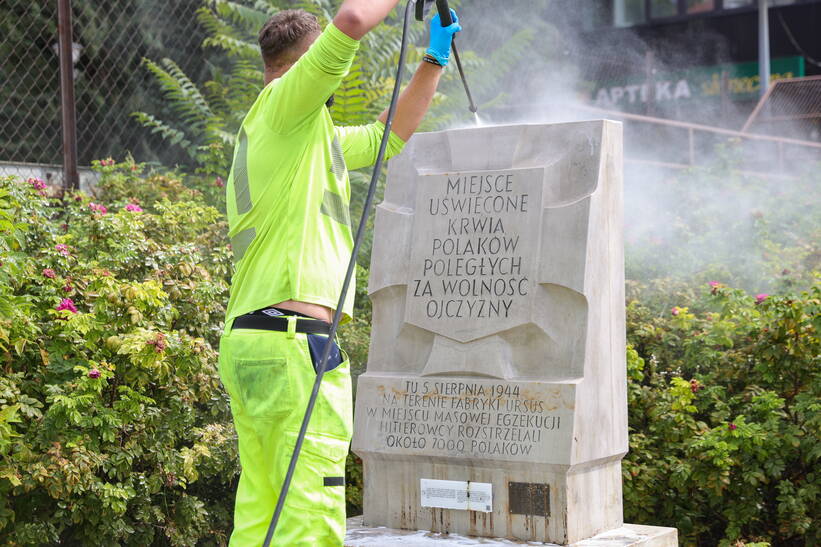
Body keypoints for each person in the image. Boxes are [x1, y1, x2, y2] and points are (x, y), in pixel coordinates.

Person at [217, 1, 461, 545]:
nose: (333, 68)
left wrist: (433, 59)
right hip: (291, 346)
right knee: (308, 513)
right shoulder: (283, 105)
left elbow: (384, 140)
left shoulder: (303, 137)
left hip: (258, 341)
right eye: (320, 60)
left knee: (265, 512)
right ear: (297, 63)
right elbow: (352, 21)